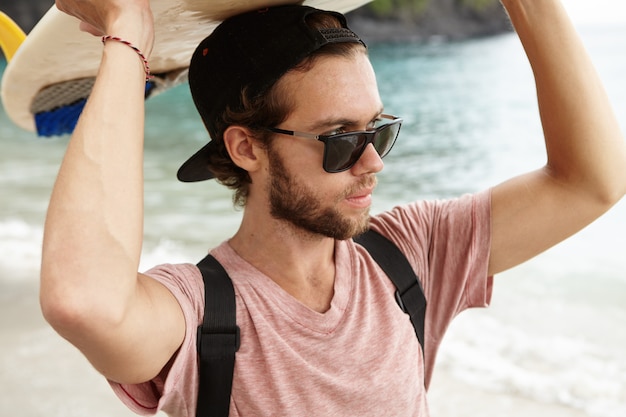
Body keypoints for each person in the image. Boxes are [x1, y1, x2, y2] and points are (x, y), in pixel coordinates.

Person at [41, 0, 626, 416]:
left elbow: (591, 181)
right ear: (247, 147)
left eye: (379, 129)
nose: (373, 163)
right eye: (341, 139)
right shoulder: (198, 315)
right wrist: (128, 35)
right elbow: (85, 302)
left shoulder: (409, 254)